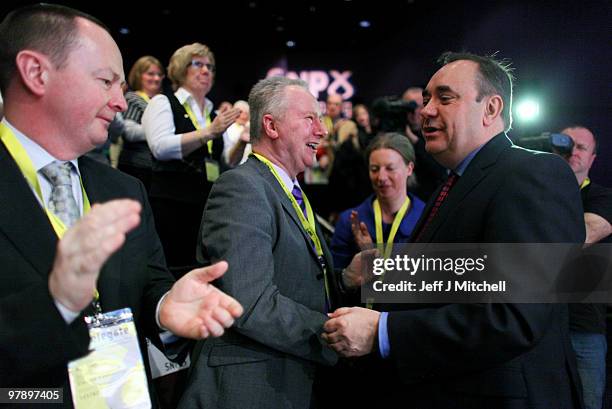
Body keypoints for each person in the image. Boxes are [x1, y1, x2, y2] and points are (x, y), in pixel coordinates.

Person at [0, 4, 243, 406]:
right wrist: (56, 302)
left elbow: (147, 283)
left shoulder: (124, 189)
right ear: (36, 73)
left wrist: (165, 306)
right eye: (105, 80)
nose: (121, 100)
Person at [322, 52, 586, 408]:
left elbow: (513, 315)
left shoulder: (533, 174)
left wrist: (383, 332)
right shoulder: (456, 184)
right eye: (427, 99)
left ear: (491, 109)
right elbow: (463, 277)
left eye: (445, 98)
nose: (426, 110)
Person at [178, 77, 340, 409]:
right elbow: (250, 302)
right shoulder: (242, 188)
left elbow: (299, 279)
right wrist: (334, 332)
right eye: (310, 118)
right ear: (271, 125)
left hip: (287, 377)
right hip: (247, 387)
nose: (321, 131)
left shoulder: (289, 191)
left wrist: (346, 280)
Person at [142, 43, 240, 277]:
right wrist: (208, 132)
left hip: (206, 204)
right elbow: (160, 147)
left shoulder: (213, 113)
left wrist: (244, 142)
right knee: (172, 268)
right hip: (171, 205)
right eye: (198, 64)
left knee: (201, 268)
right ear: (180, 68)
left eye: (210, 67)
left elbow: (227, 159)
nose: (206, 71)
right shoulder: (163, 102)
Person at [562, 125, 612, 409]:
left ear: (593, 159)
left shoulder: (602, 197)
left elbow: (579, 237)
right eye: (566, 144)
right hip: (539, 323)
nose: (573, 151)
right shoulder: (537, 194)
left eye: (581, 147)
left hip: (584, 327)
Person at [331, 132, 425, 269]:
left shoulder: (427, 219)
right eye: (374, 169)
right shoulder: (349, 222)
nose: (381, 177)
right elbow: (337, 281)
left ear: (409, 169)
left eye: (390, 168)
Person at [117, 55, 165, 192]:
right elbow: (129, 132)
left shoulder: (161, 102)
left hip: (154, 167)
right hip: (135, 165)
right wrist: (160, 132)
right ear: (139, 75)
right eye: (150, 74)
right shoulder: (133, 98)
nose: (156, 78)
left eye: (159, 74)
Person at [221, 99, 251, 168]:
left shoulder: (251, 128)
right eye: (240, 112)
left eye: (246, 113)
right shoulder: (226, 128)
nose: (243, 116)